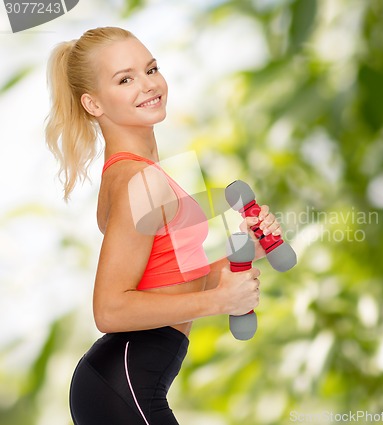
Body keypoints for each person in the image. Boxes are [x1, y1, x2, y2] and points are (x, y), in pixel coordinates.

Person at [45, 26, 283, 425]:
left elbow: (171, 283)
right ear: (93, 104)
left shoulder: (144, 175)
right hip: (123, 384)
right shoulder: (142, 181)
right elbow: (109, 308)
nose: (148, 85)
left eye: (151, 69)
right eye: (125, 79)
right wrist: (218, 303)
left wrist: (241, 257)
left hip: (122, 381)